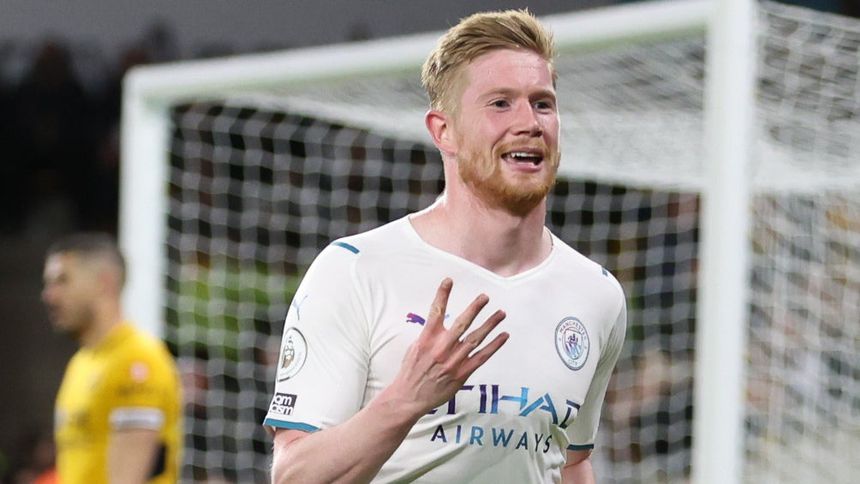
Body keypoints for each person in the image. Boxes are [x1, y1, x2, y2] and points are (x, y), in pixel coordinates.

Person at [264, 9, 627, 483]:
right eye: (500, 103)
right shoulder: (356, 270)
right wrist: (407, 398)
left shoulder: (596, 294)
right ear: (444, 131)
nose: (529, 122)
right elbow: (294, 476)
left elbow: (572, 461)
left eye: (542, 103)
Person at [41, 233, 181, 484]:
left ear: (104, 283)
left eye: (62, 280)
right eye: (48, 284)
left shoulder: (137, 362)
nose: (49, 295)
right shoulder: (80, 363)